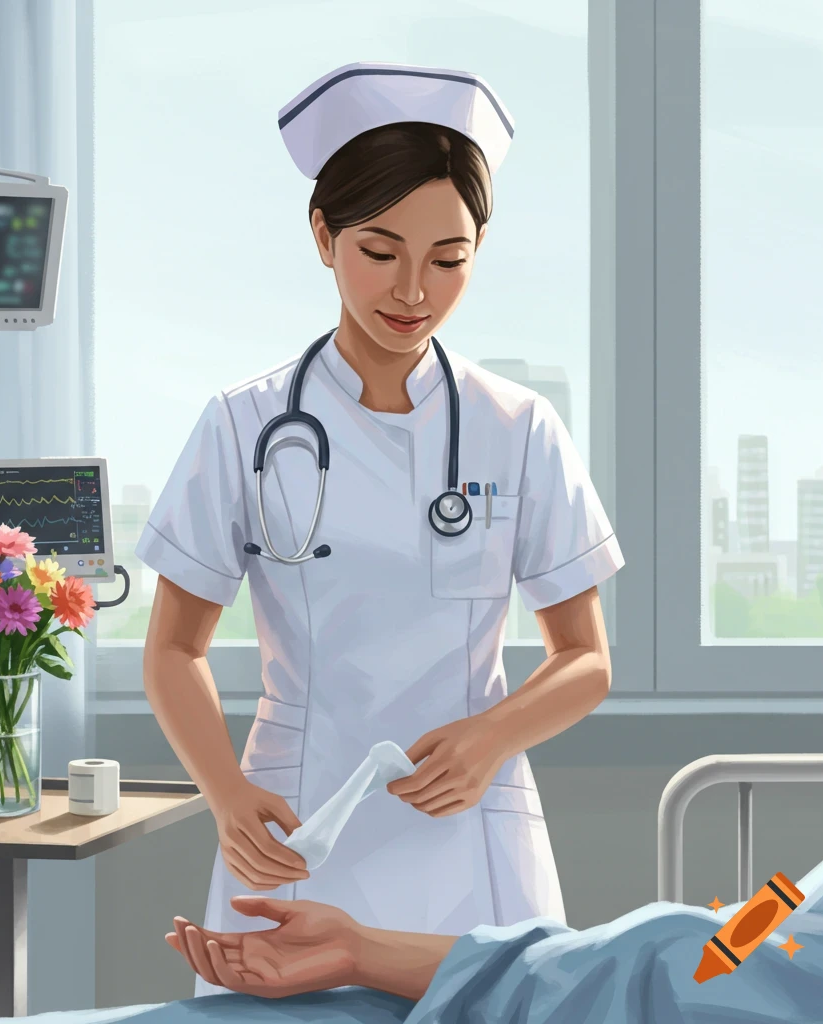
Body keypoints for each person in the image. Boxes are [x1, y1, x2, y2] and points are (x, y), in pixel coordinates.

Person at [135, 60, 624, 997]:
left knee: (493, 1006)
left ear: (479, 249)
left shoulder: (517, 426)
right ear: (323, 235)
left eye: (448, 259)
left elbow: (586, 659)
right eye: (380, 250)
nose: (413, 290)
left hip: (469, 821)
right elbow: (173, 649)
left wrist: (491, 736)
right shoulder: (243, 424)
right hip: (297, 817)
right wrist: (226, 794)